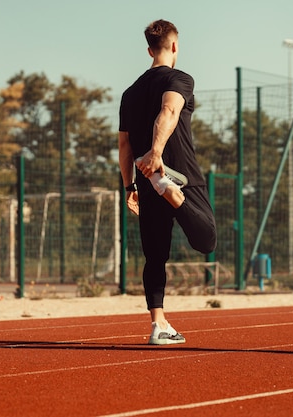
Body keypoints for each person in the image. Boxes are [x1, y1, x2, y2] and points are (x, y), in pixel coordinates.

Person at [118, 19, 217, 345]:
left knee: (155, 256)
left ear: (149, 49)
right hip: (179, 176)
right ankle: (175, 196)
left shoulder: (129, 93)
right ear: (174, 46)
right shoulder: (179, 78)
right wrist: (157, 154)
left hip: (147, 179)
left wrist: (130, 186)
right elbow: (169, 111)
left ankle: (158, 324)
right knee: (206, 241)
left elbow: (124, 145)